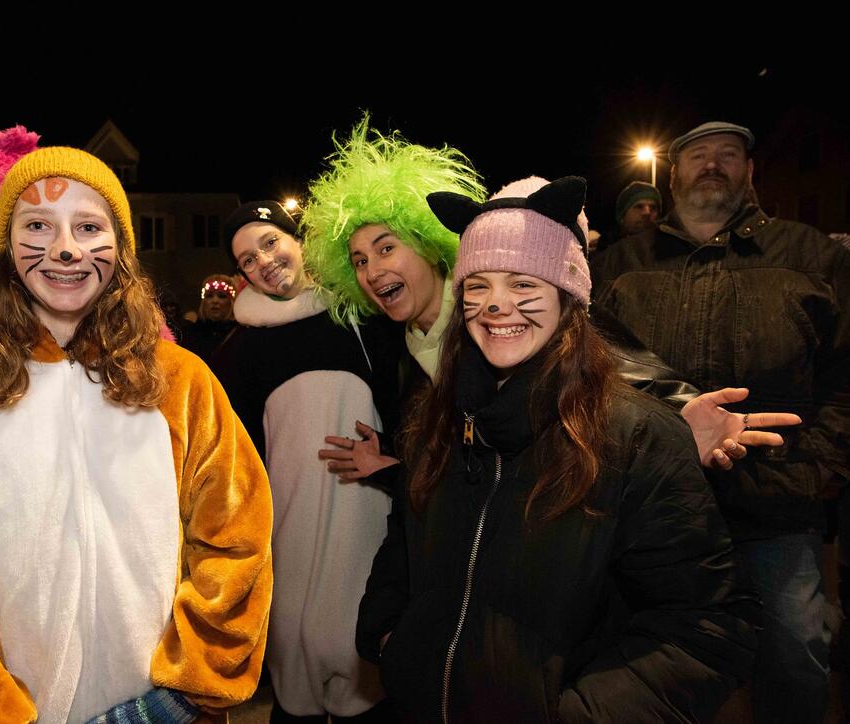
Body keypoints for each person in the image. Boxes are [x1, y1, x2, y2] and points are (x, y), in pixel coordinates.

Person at [0, 148, 273, 722]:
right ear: (6, 252)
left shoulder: (181, 382)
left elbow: (236, 541)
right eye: (38, 225)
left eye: (89, 227)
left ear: (120, 251)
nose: (65, 247)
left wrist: (181, 696)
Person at [354, 175, 759, 723]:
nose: (497, 305)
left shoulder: (635, 436)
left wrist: (578, 715)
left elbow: (706, 628)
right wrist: (388, 638)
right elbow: (403, 545)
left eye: (524, 283)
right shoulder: (438, 420)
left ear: (569, 297)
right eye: (478, 285)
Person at [301, 120, 798, 483]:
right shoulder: (404, 355)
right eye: (359, 260)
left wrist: (679, 417)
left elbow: (622, 366)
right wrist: (389, 464)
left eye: (386, 247)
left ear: (429, 243)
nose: (372, 269)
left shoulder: (516, 311)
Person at [592, 120, 850, 724]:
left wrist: (821, 468)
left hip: (778, 505)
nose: (713, 165)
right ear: (674, 173)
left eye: (729, 155)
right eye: (699, 155)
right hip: (655, 509)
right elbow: (591, 369)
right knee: (652, 669)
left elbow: (845, 374)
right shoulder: (619, 263)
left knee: (793, 656)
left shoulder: (812, 254)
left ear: (749, 172)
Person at [211, 200, 400, 721]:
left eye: (270, 242)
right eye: (248, 259)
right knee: (296, 672)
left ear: (298, 240)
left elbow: (408, 406)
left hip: (368, 525)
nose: (264, 261)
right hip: (289, 535)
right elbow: (236, 456)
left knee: (364, 669)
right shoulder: (240, 350)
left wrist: (393, 459)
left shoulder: (360, 316)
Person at [179, 274, 238, 361]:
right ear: (203, 301)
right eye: (209, 296)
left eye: (222, 296)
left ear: (231, 302)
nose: (215, 301)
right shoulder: (188, 335)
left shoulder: (240, 334)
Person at [593, 180, 662, 252]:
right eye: (639, 207)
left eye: (653, 208)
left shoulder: (667, 249)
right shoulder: (607, 251)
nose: (647, 212)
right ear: (622, 216)